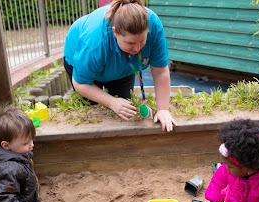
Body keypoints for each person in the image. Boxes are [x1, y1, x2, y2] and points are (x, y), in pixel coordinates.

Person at [63, 0, 177, 132]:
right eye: (131, 43)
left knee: (124, 109)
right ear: (115, 32)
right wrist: (111, 102)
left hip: (124, 66)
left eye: (142, 41)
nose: (137, 49)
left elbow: (160, 72)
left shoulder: (154, 26)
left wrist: (163, 109)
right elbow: (81, 83)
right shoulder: (94, 43)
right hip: (82, 58)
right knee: (92, 110)